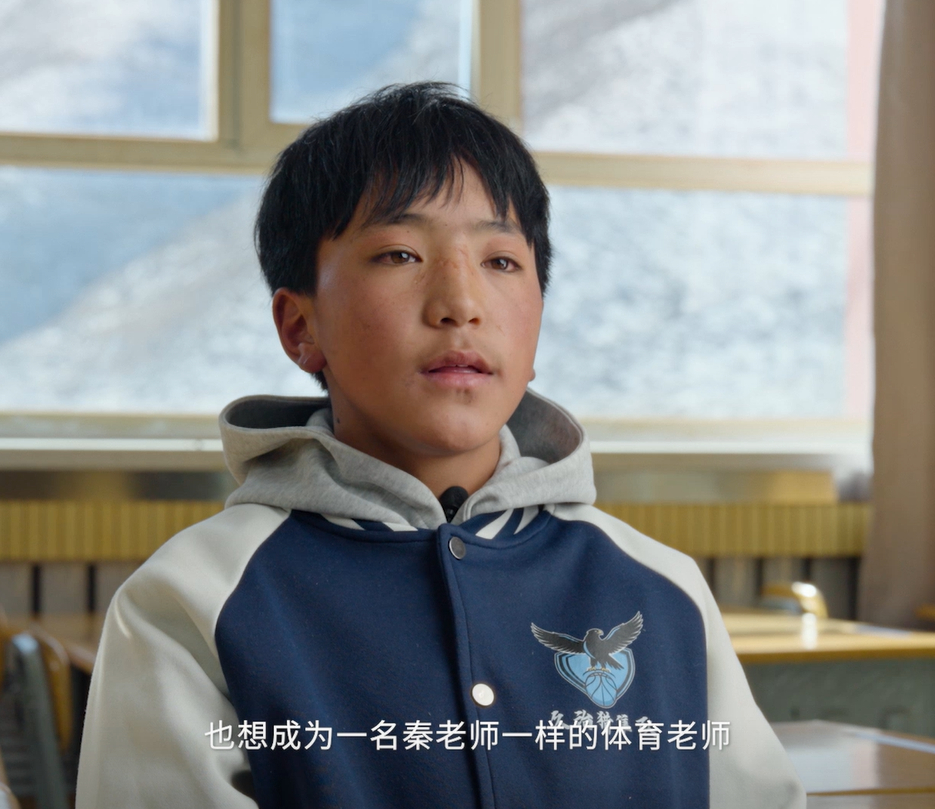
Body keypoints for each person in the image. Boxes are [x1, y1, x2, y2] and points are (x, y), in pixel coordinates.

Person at [76, 82, 804, 808]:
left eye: (501, 261)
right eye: (399, 254)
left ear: (537, 318)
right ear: (300, 327)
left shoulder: (661, 588)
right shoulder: (194, 599)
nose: (461, 303)